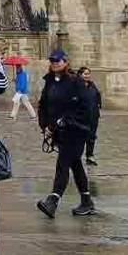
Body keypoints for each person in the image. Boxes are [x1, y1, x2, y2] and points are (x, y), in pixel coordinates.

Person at [35, 49, 94, 218]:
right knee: (75, 164)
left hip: (75, 131)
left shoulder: (75, 82)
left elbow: (85, 107)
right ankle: (87, 201)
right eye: (52, 59)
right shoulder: (50, 82)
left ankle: (52, 200)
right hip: (58, 132)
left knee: (63, 163)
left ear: (65, 62)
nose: (54, 62)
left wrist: (66, 120)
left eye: (58, 60)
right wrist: (44, 126)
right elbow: (43, 104)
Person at [77, 67, 102, 167]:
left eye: (88, 74)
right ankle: (76, 156)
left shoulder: (92, 85)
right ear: (80, 75)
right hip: (81, 116)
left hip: (93, 115)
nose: (87, 76)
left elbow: (97, 96)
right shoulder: (77, 86)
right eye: (85, 74)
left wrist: (98, 107)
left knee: (91, 136)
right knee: (80, 137)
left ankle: (90, 156)